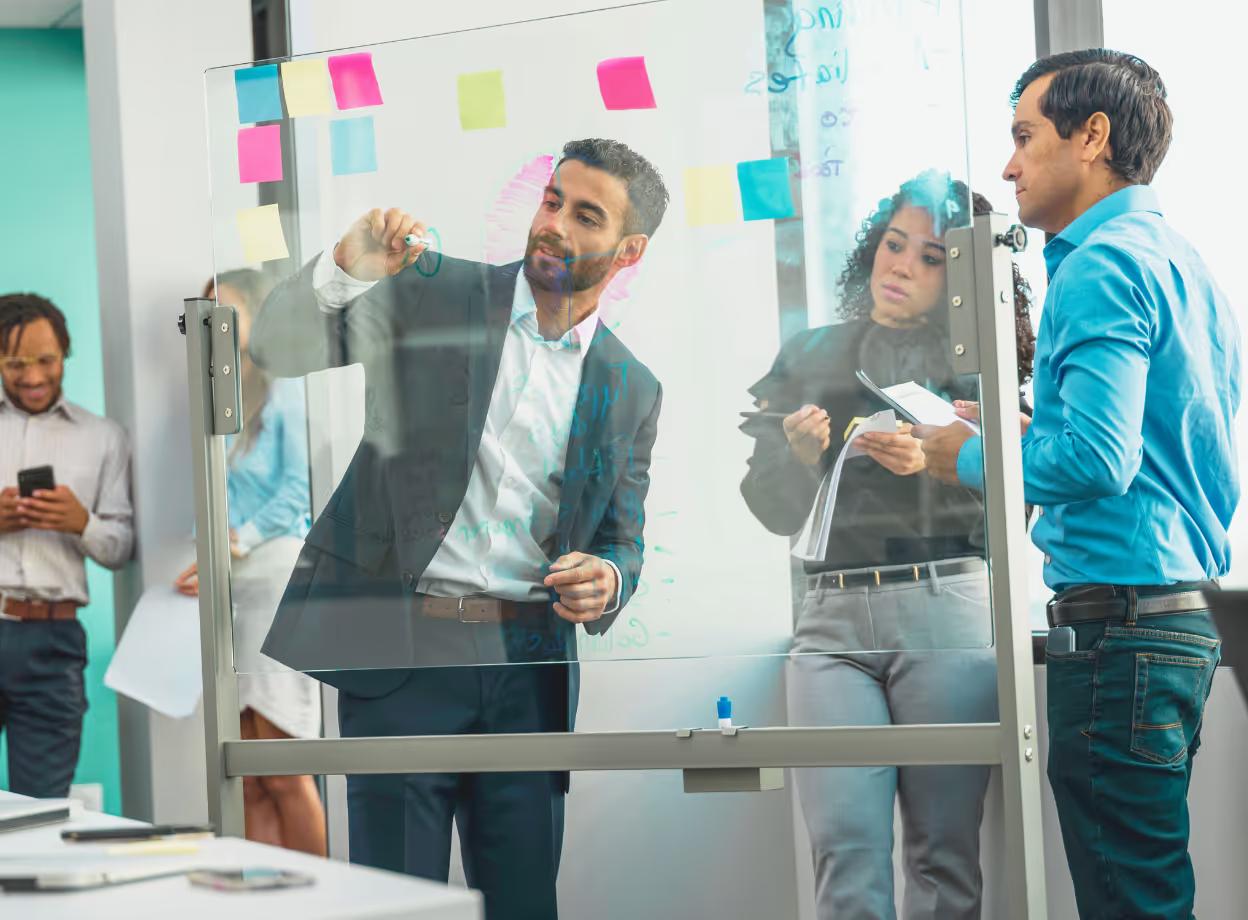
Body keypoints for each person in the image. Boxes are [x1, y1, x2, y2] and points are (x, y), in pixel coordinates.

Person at [249, 138, 668, 919]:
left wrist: (607, 578)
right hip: (402, 652)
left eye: (585, 216)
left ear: (628, 249)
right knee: (394, 903)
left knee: (522, 903)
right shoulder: (434, 296)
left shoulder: (632, 387)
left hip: (530, 669)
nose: (555, 226)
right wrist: (346, 267)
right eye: (552, 201)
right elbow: (275, 347)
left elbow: (623, 541)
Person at [917, 50, 1239, 919]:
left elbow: (1102, 462)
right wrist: (1025, 438)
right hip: (1178, 618)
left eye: (1024, 137)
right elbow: (1156, 450)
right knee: (1148, 884)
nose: (1009, 165)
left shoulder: (1099, 266)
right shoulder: (1183, 262)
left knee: (1129, 897)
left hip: (1123, 629)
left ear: (1092, 136)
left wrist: (972, 459)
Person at [740, 173, 1036, 920]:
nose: (899, 265)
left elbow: (1020, 504)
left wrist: (942, 464)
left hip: (948, 613)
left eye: (931, 257)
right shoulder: (810, 352)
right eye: (892, 244)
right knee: (843, 850)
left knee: (943, 855)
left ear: (965, 277)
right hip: (830, 624)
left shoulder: (984, 364)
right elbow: (772, 511)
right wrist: (798, 459)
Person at [172, 269, 325, 855]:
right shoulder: (214, 403)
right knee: (252, 779)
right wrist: (206, 554)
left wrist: (240, 537)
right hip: (233, 587)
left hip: (277, 579)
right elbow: (210, 498)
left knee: (286, 771)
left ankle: (322, 900)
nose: (214, 328)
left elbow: (299, 488)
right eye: (205, 316)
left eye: (226, 313)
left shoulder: (286, 391)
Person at [0, 293, 134, 798]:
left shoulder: (103, 438)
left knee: (42, 808)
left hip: (53, 646)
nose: (32, 377)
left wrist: (82, 523)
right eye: (15, 364)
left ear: (66, 354)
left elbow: (120, 550)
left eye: (46, 361)